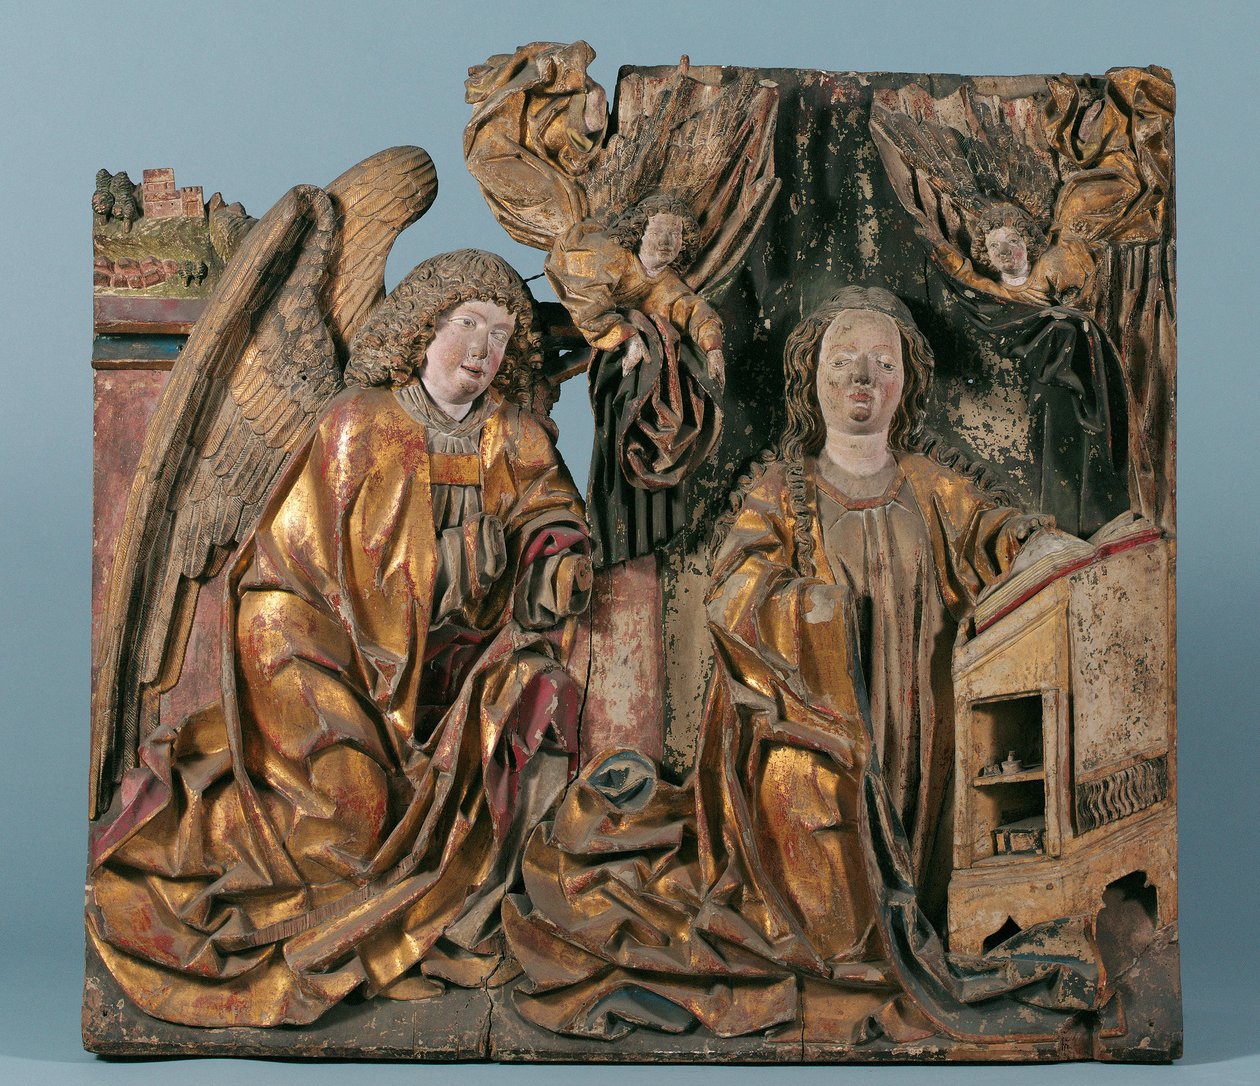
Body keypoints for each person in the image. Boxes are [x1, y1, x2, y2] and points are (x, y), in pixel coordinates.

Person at [503, 287, 1102, 1045]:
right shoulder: (783, 492)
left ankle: (909, 915)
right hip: (812, 730)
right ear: (811, 378)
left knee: (913, 848)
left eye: (882, 362)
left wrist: (1033, 540)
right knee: (829, 889)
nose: (862, 377)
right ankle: (842, 937)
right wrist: (808, 610)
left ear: (908, 380)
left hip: (918, 719)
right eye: (843, 361)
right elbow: (733, 589)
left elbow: (995, 536)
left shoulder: (930, 487)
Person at [87, 249, 593, 1027]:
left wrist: (556, 562)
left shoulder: (514, 435)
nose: (481, 349)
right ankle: (287, 904)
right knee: (353, 805)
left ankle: (418, 932)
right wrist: (452, 566)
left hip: (449, 663)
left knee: (530, 699)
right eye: (467, 324)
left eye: (500, 334)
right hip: (314, 644)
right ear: (423, 330)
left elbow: (549, 516)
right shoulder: (361, 420)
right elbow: (315, 570)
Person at [546, 192, 726, 566]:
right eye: (659, 231)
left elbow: (695, 311)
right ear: (639, 231)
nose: (666, 242)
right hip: (589, 338)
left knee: (663, 341)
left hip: (631, 368)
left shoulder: (667, 284)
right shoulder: (614, 258)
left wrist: (712, 349)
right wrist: (625, 333)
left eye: (675, 235)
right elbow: (586, 299)